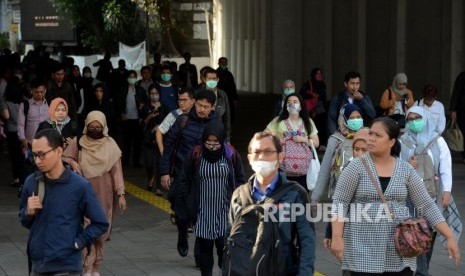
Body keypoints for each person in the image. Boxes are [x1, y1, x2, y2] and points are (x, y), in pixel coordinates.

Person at [330, 117, 460, 275]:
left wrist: (449, 236)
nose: (371, 138)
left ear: (391, 142)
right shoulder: (355, 168)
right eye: (370, 133)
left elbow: (426, 205)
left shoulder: (405, 170)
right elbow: (340, 202)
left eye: (378, 135)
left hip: (398, 250)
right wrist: (336, 237)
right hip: (361, 248)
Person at [19, 128, 109, 276]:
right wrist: (27, 213)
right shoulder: (31, 182)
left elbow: (101, 223)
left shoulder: (79, 186)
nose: (37, 161)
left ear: (59, 151)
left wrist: (78, 242)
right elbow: (25, 222)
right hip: (37, 264)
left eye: (42, 155)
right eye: (34, 155)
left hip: (66, 267)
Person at [227, 132, 315, 275]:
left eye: (268, 152)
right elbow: (229, 239)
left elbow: (307, 241)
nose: (262, 157)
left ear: (280, 157)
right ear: (249, 158)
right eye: (256, 152)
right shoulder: (239, 194)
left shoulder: (295, 194)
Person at [177, 121, 245, 276]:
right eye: (209, 141)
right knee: (205, 251)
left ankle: (223, 267)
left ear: (221, 140)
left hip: (225, 211)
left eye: (216, 141)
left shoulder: (230, 154)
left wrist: (238, 200)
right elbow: (185, 179)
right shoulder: (196, 154)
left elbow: (240, 178)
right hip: (202, 212)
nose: (212, 144)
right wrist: (187, 203)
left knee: (224, 247)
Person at [160, 89, 219, 258]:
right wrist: (165, 172)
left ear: (212, 107)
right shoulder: (182, 121)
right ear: (194, 103)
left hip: (206, 176)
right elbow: (169, 147)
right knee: (178, 207)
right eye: (199, 105)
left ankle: (200, 254)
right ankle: (182, 233)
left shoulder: (216, 125)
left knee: (202, 216)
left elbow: (224, 150)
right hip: (182, 174)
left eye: (206, 107)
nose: (202, 109)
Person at [69, 111, 127, 276]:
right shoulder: (78, 142)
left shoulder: (111, 145)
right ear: (86, 125)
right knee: (87, 232)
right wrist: (73, 162)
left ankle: (96, 268)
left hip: (105, 196)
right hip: (84, 196)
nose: (94, 129)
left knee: (102, 234)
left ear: (104, 126)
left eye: (98, 127)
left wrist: (121, 194)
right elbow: (64, 158)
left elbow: (117, 172)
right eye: (91, 126)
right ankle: (87, 267)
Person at [399, 106, 455, 276]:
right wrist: (406, 165)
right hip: (409, 199)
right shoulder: (402, 142)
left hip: (432, 196)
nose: (414, 122)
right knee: (416, 234)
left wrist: (446, 192)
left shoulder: (437, 141)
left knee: (428, 235)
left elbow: (445, 167)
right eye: (410, 119)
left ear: (425, 119)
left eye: (418, 118)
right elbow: (393, 166)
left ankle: (423, 269)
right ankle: (422, 272)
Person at [322, 127, 369, 256]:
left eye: (364, 150)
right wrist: (330, 233)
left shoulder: (384, 169)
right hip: (351, 230)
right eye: (356, 149)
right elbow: (339, 201)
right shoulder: (349, 168)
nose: (359, 154)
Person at [311, 104, 364, 203]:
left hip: (363, 195)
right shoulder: (335, 140)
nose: (356, 120)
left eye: (358, 117)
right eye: (352, 118)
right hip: (340, 195)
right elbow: (325, 170)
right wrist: (315, 198)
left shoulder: (368, 137)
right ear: (343, 119)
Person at [265, 93, 319, 190]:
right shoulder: (278, 121)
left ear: (301, 106)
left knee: (301, 196)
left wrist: (303, 139)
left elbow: (316, 142)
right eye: (289, 102)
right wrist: (277, 141)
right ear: (285, 106)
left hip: (304, 170)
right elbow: (264, 137)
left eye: (295, 102)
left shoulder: (308, 122)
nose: (292, 104)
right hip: (282, 168)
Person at [17, 79, 49, 185]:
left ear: (45, 91)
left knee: (44, 171)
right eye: (36, 92)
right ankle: (26, 191)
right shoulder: (25, 105)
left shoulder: (49, 105)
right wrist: (23, 139)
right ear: (31, 90)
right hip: (30, 145)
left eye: (41, 92)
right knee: (29, 171)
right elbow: (20, 125)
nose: (39, 94)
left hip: (46, 145)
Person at [327, 71, 376, 135]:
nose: (355, 87)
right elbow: (331, 120)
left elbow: (372, 114)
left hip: (361, 134)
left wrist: (362, 100)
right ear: (345, 84)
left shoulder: (364, 97)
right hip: (342, 135)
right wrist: (334, 137)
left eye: (357, 83)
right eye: (352, 83)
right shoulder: (338, 99)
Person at [140, 84, 168, 194]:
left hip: (161, 140)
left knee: (160, 164)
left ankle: (158, 187)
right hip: (148, 140)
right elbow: (142, 124)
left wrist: (160, 127)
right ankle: (150, 176)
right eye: (152, 93)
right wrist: (149, 117)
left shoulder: (164, 107)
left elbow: (168, 122)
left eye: (156, 93)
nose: (154, 95)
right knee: (149, 163)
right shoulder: (145, 107)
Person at [117, 70, 146, 167]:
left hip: (137, 119)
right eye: (130, 77)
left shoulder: (140, 90)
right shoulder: (123, 89)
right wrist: (122, 113)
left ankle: (136, 162)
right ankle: (125, 162)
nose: (132, 79)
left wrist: (142, 108)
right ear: (127, 78)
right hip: (126, 119)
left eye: (134, 77)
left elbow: (145, 102)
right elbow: (119, 103)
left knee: (137, 142)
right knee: (126, 142)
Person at [156, 88, 196, 155]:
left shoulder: (198, 114)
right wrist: (162, 151)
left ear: (193, 101)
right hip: (175, 153)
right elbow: (159, 131)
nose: (181, 103)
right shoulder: (173, 114)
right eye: (179, 100)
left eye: (184, 100)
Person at [1, 78, 26, 186]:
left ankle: (17, 179)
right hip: (23, 131)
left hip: (12, 131)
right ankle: (25, 177)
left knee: (14, 156)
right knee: (23, 155)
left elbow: (6, 116)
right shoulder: (24, 100)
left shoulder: (5, 102)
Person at [300, 68, 328, 146]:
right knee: (311, 125)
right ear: (313, 75)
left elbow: (323, 97)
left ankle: (321, 144)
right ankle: (311, 144)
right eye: (317, 74)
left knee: (321, 126)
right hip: (310, 110)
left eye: (320, 73)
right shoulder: (308, 84)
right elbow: (301, 94)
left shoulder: (322, 84)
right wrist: (311, 95)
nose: (319, 75)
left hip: (320, 109)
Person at [203, 67, 232, 140]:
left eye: (214, 79)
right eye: (209, 78)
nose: (212, 81)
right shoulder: (199, 94)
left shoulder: (223, 95)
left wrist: (227, 138)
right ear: (204, 80)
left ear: (218, 80)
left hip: (219, 133)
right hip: (203, 132)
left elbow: (227, 118)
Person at [216, 57, 238, 125]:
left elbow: (233, 87)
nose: (224, 63)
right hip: (218, 98)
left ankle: (228, 131)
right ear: (218, 63)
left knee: (229, 115)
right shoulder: (215, 74)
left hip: (229, 98)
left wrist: (235, 99)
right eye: (222, 62)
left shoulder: (229, 74)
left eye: (225, 62)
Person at [450, 71, 465, 163]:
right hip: (463, 110)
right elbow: (456, 93)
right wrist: (453, 109)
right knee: (463, 133)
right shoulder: (462, 77)